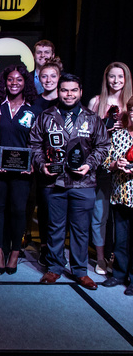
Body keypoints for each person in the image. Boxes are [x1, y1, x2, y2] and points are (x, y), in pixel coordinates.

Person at [30, 73, 109, 290]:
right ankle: (54, 268)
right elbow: (34, 143)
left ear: (81, 92)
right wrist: (41, 163)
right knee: (54, 227)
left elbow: (103, 146)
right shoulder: (46, 116)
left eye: (73, 90)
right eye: (64, 90)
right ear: (59, 92)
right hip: (54, 182)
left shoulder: (92, 119)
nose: (69, 94)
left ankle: (80, 271)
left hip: (83, 183)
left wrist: (90, 164)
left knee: (81, 229)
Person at [0, 64, 38, 274]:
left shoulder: (34, 109)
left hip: (23, 172)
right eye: (10, 79)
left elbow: (38, 141)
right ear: (4, 82)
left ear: (25, 82)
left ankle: (15, 252)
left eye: (19, 79)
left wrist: (33, 163)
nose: (14, 83)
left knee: (19, 211)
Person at [88, 62, 132, 275]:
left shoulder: (130, 103)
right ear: (106, 79)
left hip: (126, 172)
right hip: (103, 167)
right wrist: (105, 128)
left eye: (120, 77)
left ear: (126, 79)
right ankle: (100, 257)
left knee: (122, 220)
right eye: (112, 77)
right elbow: (85, 136)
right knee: (100, 215)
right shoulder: (96, 102)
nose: (116, 81)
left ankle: (122, 262)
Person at [29, 58, 62, 265]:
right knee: (44, 207)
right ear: (39, 78)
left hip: (65, 167)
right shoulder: (34, 104)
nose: (48, 80)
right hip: (41, 166)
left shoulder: (68, 101)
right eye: (44, 76)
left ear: (59, 77)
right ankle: (44, 247)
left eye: (53, 76)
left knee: (61, 210)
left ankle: (58, 249)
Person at [101, 96, 133, 295]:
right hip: (120, 194)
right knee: (120, 238)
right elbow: (106, 161)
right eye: (131, 109)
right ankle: (119, 274)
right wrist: (115, 165)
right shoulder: (119, 134)